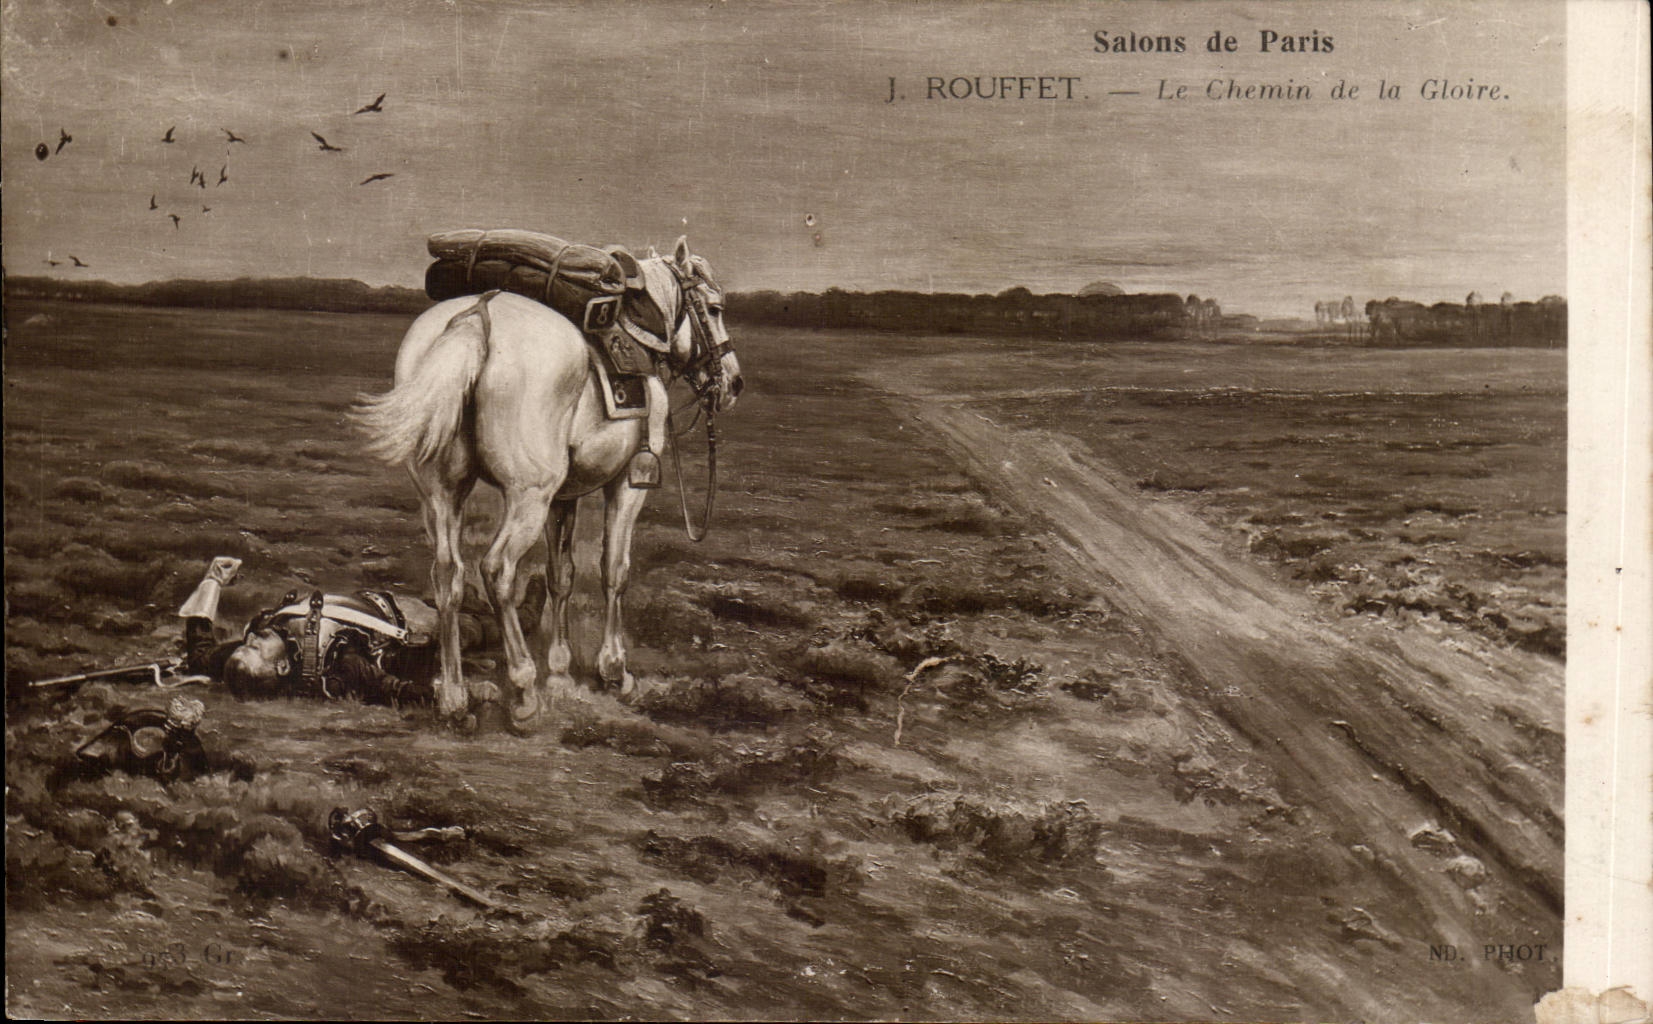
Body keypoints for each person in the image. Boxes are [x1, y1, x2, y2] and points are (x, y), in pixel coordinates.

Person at [177, 556, 452, 706]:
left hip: (364, 601)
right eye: (253, 647)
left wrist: (212, 582)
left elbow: (200, 657)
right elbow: (392, 689)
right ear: (283, 667)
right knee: (470, 629)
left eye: (243, 643)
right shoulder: (338, 664)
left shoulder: (249, 655)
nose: (249, 637)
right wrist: (439, 696)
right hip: (407, 618)